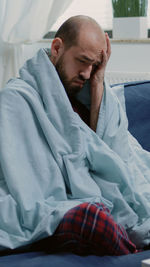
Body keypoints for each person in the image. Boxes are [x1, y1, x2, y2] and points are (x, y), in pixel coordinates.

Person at [0, 15, 150, 255]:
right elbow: (31, 184)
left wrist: (100, 82)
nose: (87, 73)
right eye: (82, 61)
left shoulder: (93, 94)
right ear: (57, 48)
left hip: (98, 200)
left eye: (96, 65)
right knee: (86, 218)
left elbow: (119, 154)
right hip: (69, 201)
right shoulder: (17, 99)